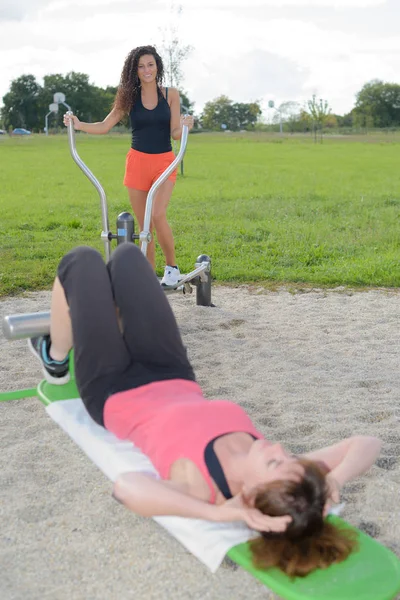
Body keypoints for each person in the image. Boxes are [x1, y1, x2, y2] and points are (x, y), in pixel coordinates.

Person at [28, 243, 382, 577]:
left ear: (250, 495)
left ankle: (55, 356)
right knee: (127, 258)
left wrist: (214, 513)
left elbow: (126, 488)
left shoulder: (201, 486)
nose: (278, 449)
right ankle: (108, 320)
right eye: (287, 456)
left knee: (82, 261)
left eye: (275, 461)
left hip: (113, 387)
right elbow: (367, 443)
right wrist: (334, 478)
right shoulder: (283, 474)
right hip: (171, 370)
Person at [63, 45, 194, 287]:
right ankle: (149, 276)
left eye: (151, 65)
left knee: (158, 214)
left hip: (164, 163)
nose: (147, 70)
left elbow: (175, 134)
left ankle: (172, 268)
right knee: (145, 227)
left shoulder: (171, 94)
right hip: (137, 164)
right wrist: (79, 125)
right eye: (141, 66)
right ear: (134, 71)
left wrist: (186, 125)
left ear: (158, 67)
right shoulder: (129, 97)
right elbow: (105, 125)